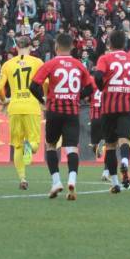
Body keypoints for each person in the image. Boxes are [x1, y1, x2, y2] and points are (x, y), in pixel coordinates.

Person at [30, 33, 94, 201]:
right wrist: (77, 97)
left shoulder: (50, 64)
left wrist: (43, 100)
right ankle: (72, 180)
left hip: (54, 110)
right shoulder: (79, 65)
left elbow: (34, 85)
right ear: (72, 47)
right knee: (72, 147)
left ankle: (56, 181)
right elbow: (90, 88)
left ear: (56, 47)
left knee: (50, 145)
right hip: (72, 111)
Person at [93, 29, 130, 193]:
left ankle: (115, 183)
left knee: (110, 146)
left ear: (109, 43)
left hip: (109, 105)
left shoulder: (105, 58)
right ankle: (125, 160)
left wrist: (103, 87)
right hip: (126, 105)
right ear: (125, 44)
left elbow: (97, 76)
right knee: (124, 140)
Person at [0, 36, 44, 190]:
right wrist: (45, 99)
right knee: (34, 143)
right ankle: (29, 146)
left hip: (15, 106)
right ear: (31, 47)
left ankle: (22, 178)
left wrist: (4, 100)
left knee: (17, 145)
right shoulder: (37, 63)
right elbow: (47, 82)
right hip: (32, 105)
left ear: (16, 47)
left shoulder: (8, 64)